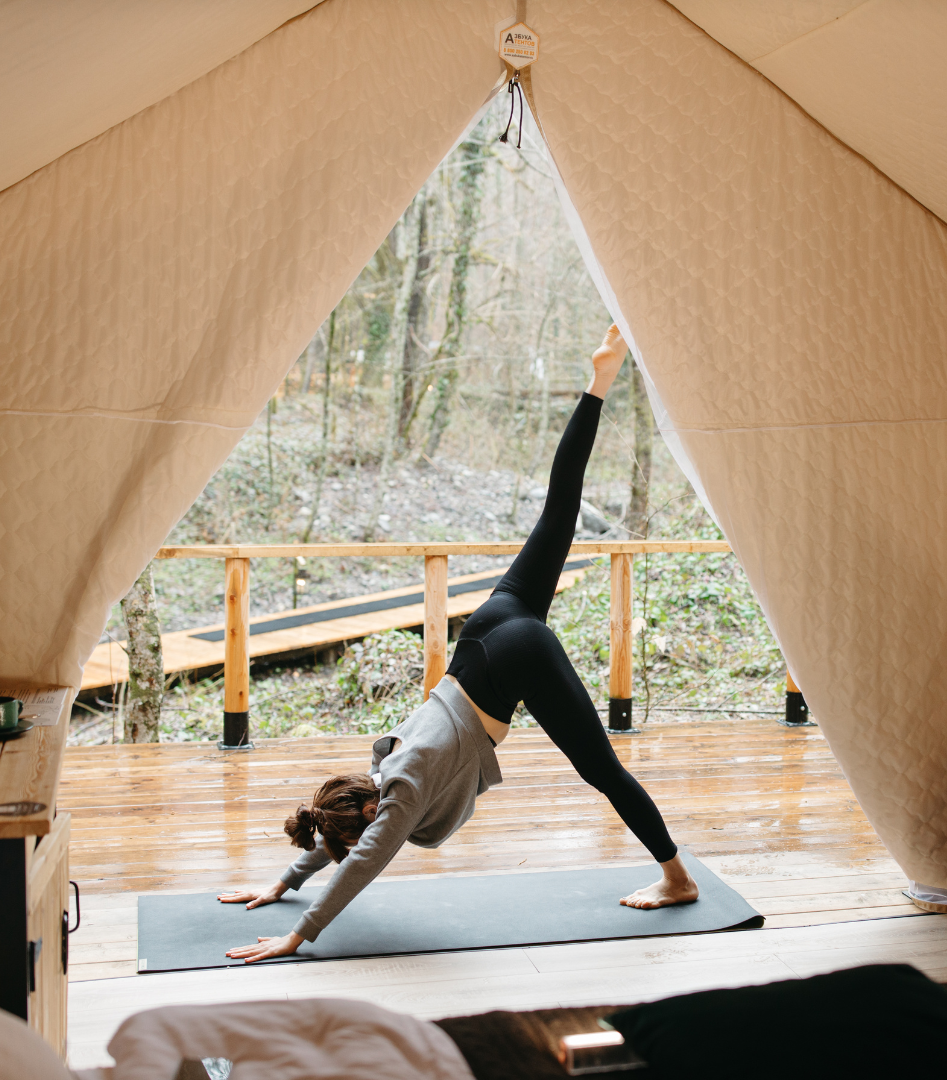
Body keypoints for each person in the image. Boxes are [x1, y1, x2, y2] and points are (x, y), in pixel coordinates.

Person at [218, 325, 699, 963]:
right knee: (559, 510)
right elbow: (339, 837)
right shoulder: (377, 775)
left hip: (513, 658)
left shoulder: (401, 794)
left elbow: (359, 862)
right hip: (488, 628)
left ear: (366, 817)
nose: (356, 841)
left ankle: (677, 877)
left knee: (602, 770)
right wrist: (283, 882)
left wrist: (296, 936)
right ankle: (599, 380)